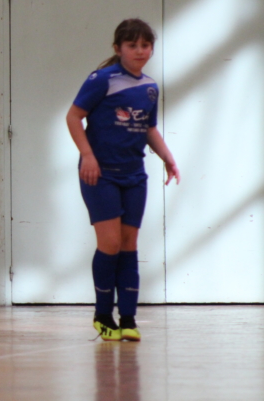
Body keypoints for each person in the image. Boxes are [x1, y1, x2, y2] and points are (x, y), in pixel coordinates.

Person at [66, 18, 180, 342]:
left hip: (135, 176)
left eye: (146, 45)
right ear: (118, 48)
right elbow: (73, 117)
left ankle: (128, 319)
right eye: (133, 45)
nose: (140, 51)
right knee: (111, 243)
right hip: (100, 174)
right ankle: (103, 316)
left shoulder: (150, 87)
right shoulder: (102, 79)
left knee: (129, 244)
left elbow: (148, 128)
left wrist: (168, 158)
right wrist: (88, 155)